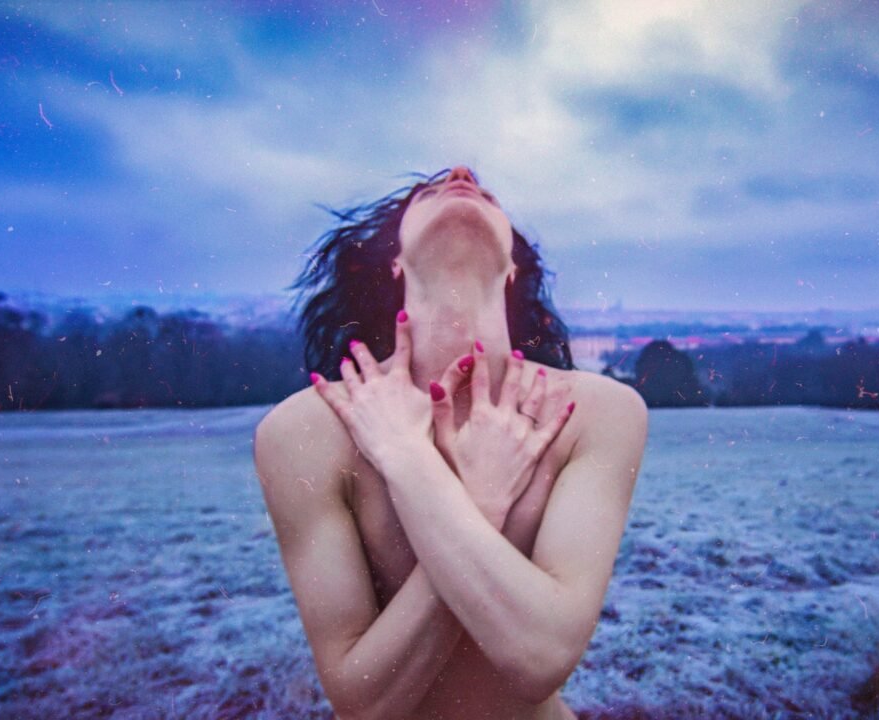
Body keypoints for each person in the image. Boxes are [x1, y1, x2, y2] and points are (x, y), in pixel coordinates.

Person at [254, 166, 648, 719]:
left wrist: (407, 458)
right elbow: (363, 703)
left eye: (487, 194)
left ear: (512, 268)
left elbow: (541, 657)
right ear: (395, 261)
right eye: (429, 192)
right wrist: (475, 503)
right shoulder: (304, 431)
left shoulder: (596, 412)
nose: (462, 175)